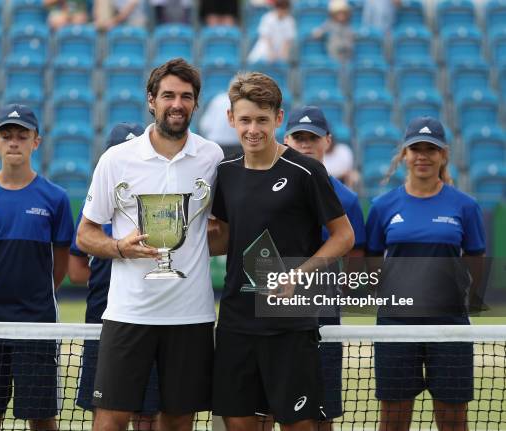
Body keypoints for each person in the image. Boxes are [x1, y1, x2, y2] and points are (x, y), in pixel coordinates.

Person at [76, 58, 224, 431]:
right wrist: (119, 247)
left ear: (196, 103)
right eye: (169, 95)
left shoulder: (213, 157)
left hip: (192, 315)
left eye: (186, 97)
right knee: (110, 419)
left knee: (177, 420)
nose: (177, 104)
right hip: (129, 314)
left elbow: (221, 233)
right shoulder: (116, 159)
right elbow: (85, 234)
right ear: (151, 101)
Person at [208, 72, 354, 431]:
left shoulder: (307, 172)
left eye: (261, 119)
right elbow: (225, 238)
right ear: (231, 120)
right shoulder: (224, 173)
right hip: (236, 322)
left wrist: (298, 274)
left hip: (291, 324)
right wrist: (171, 244)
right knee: (239, 424)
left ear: (278, 118)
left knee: (298, 425)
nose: (253, 129)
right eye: (244, 120)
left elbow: (343, 236)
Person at [0, 104, 74, 431]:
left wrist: (38, 296)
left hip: (37, 324)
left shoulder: (56, 198)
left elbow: (61, 262)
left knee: (41, 417)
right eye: (7, 135)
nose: (14, 142)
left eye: (22, 136)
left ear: (36, 142)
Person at [365, 116, 486, 431]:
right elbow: (372, 257)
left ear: (443, 154)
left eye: (430, 149)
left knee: (453, 422)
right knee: (393, 421)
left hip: (450, 325)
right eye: (414, 148)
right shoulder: (382, 206)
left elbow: (476, 256)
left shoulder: (465, 206)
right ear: (404, 155)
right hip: (395, 325)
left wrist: (466, 298)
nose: (422, 156)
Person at [69, 123, 161, 431]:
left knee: (148, 413)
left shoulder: (159, 208)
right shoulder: (95, 208)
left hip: (151, 320)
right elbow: (76, 268)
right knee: (105, 410)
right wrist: (114, 271)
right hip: (102, 321)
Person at [283, 106, 366, 431]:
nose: (306, 144)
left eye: (313, 138)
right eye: (299, 138)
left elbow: (356, 255)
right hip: (276, 311)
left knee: (323, 410)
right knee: (271, 407)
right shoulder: (269, 189)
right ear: (286, 139)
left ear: (327, 142)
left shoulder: (346, 199)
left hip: (324, 313)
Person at [247, 0, 295, 64]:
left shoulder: (290, 21)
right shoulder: (267, 18)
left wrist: (283, 54)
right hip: (264, 50)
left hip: (279, 52)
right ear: (277, 8)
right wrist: (270, 52)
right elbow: (266, 37)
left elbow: (288, 41)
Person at [199, 86, 240, 158]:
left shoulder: (218, 99)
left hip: (216, 143)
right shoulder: (242, 101)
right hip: (236, 144)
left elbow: (204, 125)